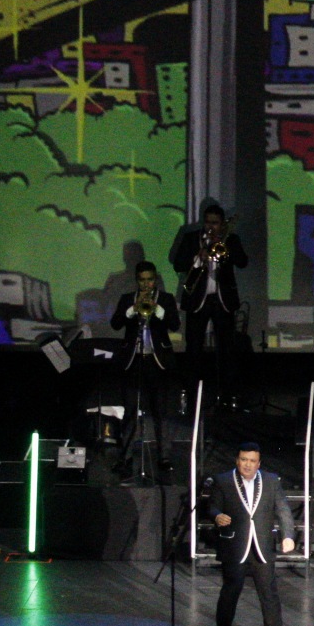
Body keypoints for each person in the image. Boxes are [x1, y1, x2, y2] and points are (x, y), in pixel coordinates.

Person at [209, 443, 296, 626]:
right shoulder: (223, 480)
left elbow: (283, 509)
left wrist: (288, 536)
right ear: (237, 460)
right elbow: (212, 506)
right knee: (230, 594)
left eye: (251, 461)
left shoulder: (271, 480)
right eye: (243, 460)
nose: (247, 464)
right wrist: (217, 516)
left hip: (262, 547)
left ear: (258, 463)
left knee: (269, 595)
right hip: (235, 546)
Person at [169, 199, 248, 399]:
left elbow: (243, 262)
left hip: (223, 301)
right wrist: (198, 256)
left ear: (222, 224)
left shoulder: (231, 240)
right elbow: (177, 263)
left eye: (215, 223)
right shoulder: (191, 238)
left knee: (226, 349)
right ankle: (192, 390)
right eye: (207, 222)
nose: (210, 227)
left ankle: (227, 392)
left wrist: (225, 252)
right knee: (193, 347)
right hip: (198, 301)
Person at [110, 261, 179, 473]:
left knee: (160, 412)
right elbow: (115, 324)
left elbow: (175, 325)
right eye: (142, 280)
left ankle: (164, 457)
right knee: (130, 411)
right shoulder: (127, 300)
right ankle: (126, 456)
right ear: (137, 280)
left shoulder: (166, 299)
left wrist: (157, 309)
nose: (146, 284)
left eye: (150, 279)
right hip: (134, 361)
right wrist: (133, 308)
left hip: (157, 362)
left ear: (155, 279)